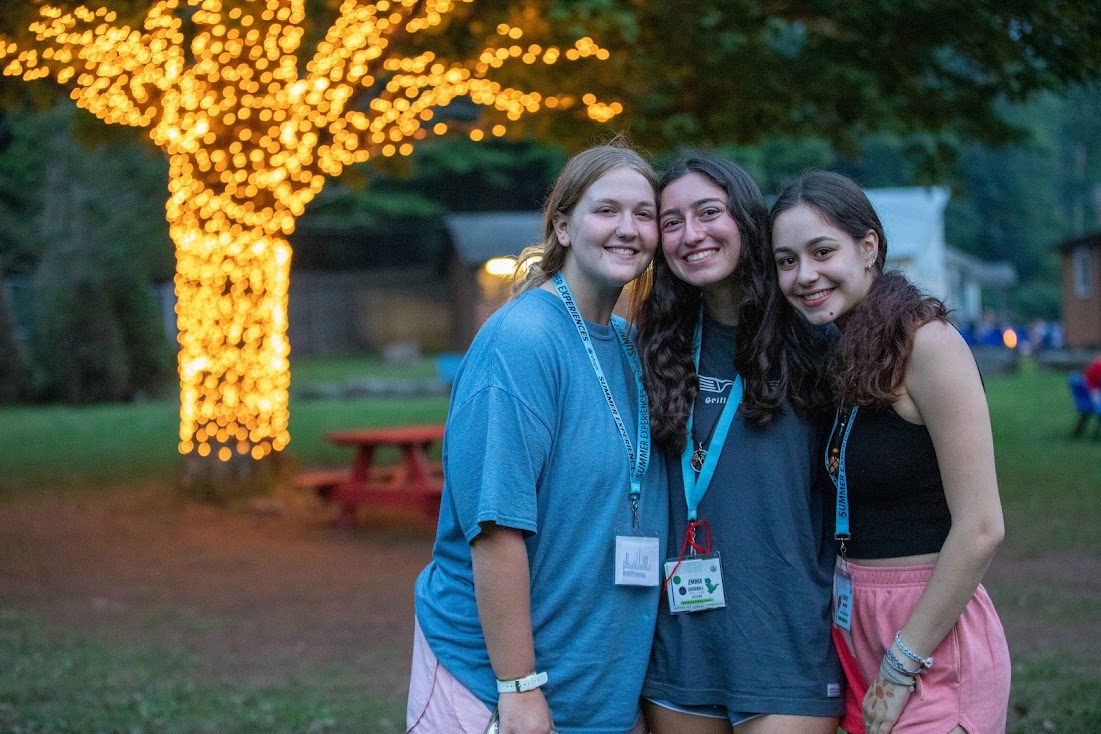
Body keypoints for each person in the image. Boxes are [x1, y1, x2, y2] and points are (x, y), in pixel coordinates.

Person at [407, 140, 668, 734]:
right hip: (497, 688)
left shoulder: (629, 346)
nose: (627, 228)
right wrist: (518, 688)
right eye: (606, 210)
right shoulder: (522, 341)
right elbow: (495, 528)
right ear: (563, 226)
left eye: (644, 214)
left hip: (596, 690)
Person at [770, 170, 1011, 734]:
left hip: (929, 640)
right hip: (858, 631)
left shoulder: (929, 346)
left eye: (822, 251)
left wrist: (904, 661)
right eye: (786, 260)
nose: (805, 275)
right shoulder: (846, 352)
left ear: (869, 246)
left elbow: (982, 527)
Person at [636, 154, 842, 733]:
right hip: (679, 652)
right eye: (671, 221)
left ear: (746, 221)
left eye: (708, 213)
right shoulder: (655, 344)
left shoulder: (814, 338)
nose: (691, 235)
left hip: (788, 645)